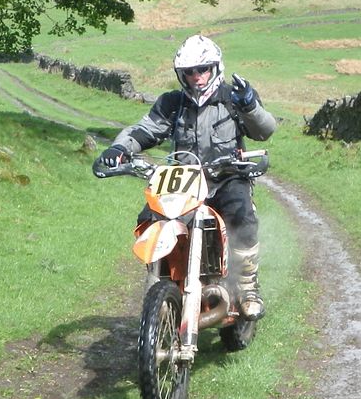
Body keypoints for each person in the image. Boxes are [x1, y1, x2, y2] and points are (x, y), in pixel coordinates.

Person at [95, 34, 276, 318]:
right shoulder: (172, 103)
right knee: (148, 216)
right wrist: (120, 147)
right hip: (184, 182)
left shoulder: (233, 98)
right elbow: (145, 130)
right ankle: (163, 282)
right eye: (189, 72)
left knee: (241, 215)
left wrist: (250, 105)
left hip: (226, 177)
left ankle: (247, 286)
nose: (196, 77)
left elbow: (264, 130)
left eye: (202, 69)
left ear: (215, 68)